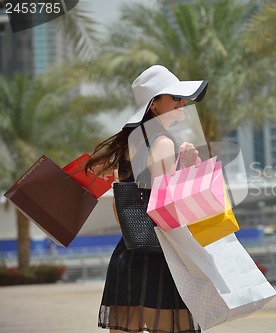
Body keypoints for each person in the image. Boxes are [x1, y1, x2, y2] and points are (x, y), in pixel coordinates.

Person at [85, 65, 208, 333]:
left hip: (128, 254)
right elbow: (167, 206)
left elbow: (123, 212)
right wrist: (188, 168)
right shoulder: (162, 142)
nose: (182, 102)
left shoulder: (131, 144)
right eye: (175, 97)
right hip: (161, 259)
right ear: (154, 105)